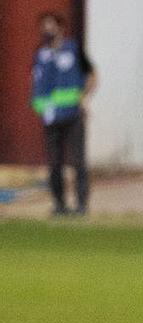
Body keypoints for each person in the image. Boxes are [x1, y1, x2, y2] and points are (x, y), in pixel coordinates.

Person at [31, 12, 94, 216]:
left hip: (73, 114)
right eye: (44, 28)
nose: (48, 32)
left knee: (77, 161)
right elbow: (37, 83)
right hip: (51, 116)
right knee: (54, 163)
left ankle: (81, 205)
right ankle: (59, 204)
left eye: (51, 27)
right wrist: (40, 107)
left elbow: (92, 75)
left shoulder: (74, 50)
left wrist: (84, 97)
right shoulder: (40, 55)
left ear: (61, 28)